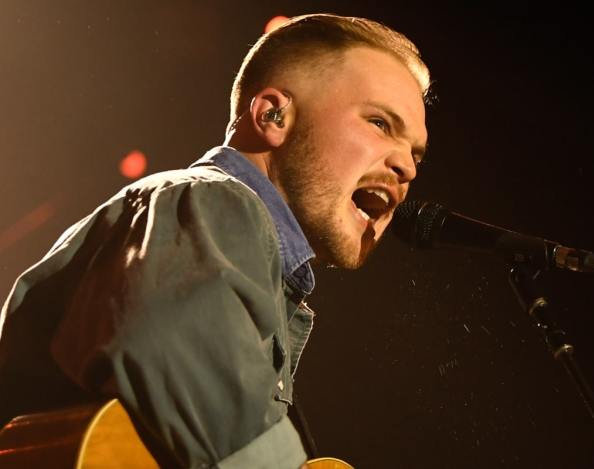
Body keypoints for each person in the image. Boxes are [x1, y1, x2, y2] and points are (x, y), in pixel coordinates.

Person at [0, 13, 430, 468]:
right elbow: (177, 349)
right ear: (272, 115)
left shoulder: (247, 256)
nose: (408, 167)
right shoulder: (214, 201)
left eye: (417, 153)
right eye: (380, 124)